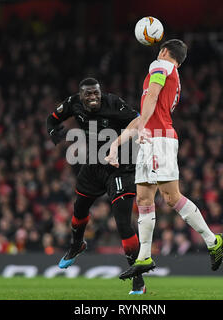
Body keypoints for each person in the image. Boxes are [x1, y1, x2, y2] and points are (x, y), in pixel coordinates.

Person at [105, 40, 223, 280]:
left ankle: (212, 240)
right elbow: (145, 112)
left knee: (171, 196)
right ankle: (144, 256)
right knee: (143, 197)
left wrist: (143, 127)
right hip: (153, 138)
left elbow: (151, 97)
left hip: (158, 139)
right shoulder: (170, 72)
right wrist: (115, 144)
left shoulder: (160, 65)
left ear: (164, 52)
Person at [46, 78, 146, 294]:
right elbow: (51, 120)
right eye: (88, 94)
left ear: (101, 93)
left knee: (122, 223)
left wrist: (119, 145)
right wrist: (54, 132)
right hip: (93, 165)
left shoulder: (113, 104)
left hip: (121, 165)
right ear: (81, 96)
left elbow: (139, 120)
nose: (93, 98)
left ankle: (138, 279)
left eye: (96, 94)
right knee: (79, 209)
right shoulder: (73, 103)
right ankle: (76, 245)